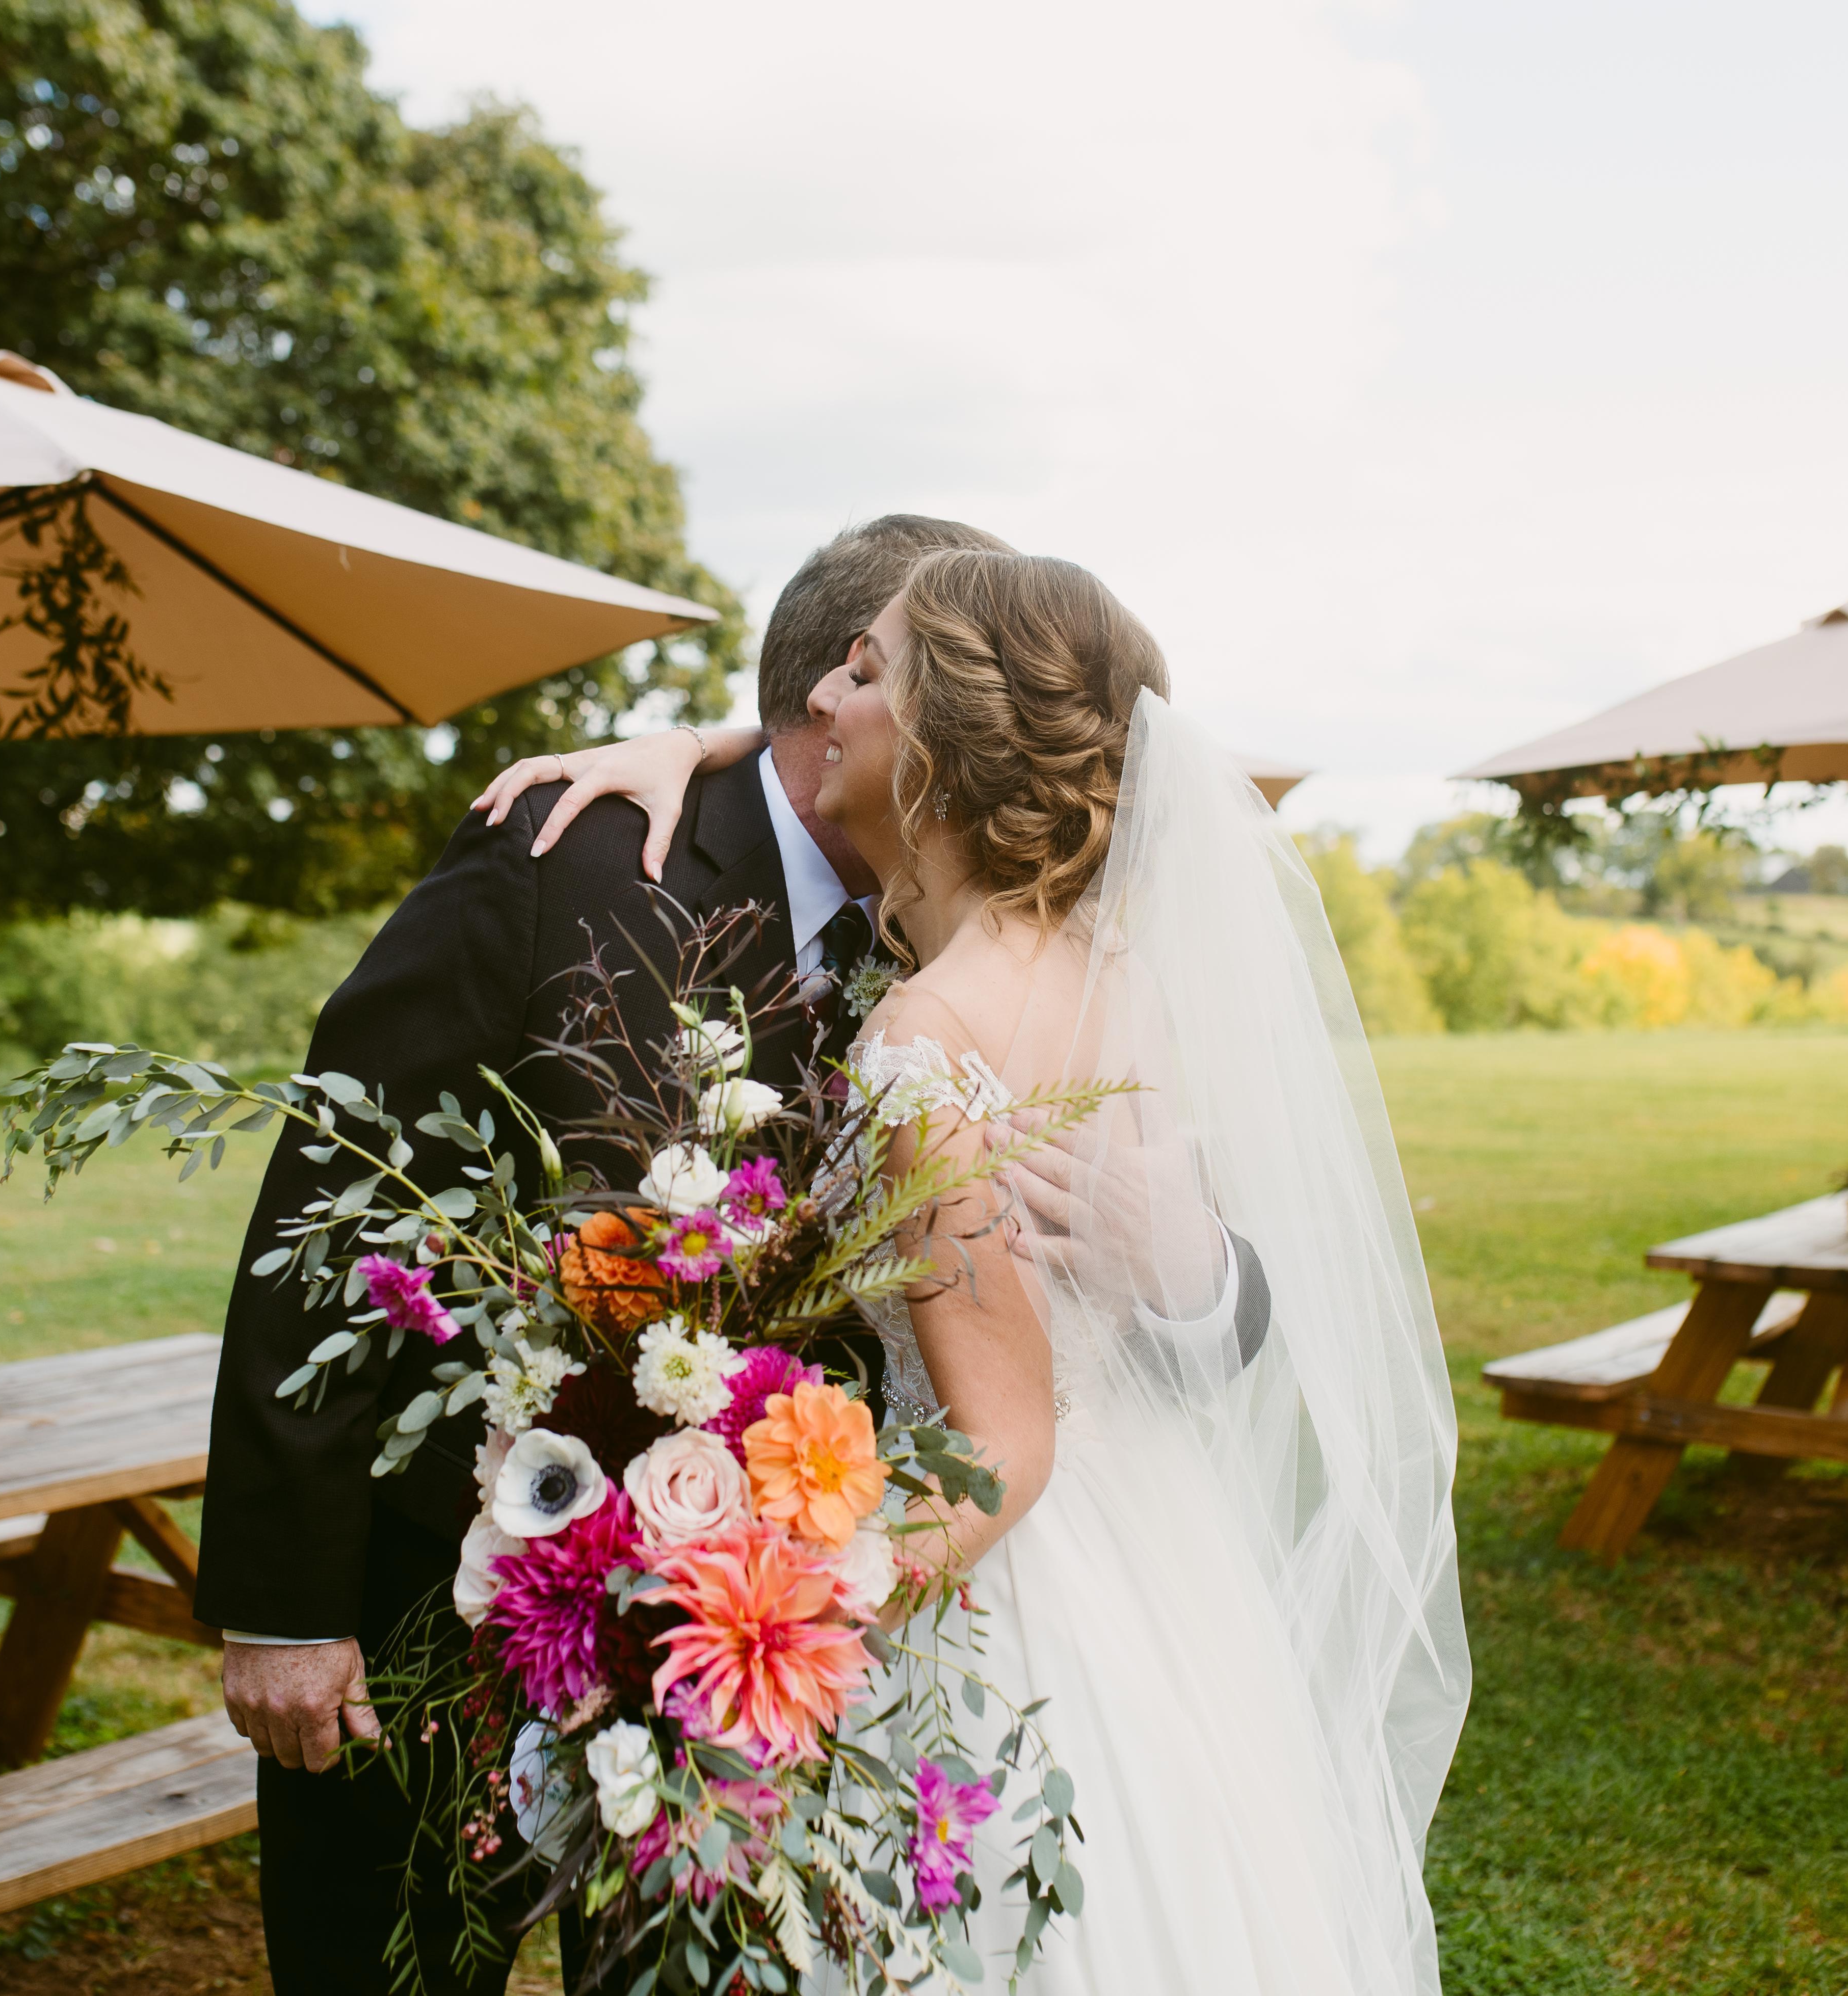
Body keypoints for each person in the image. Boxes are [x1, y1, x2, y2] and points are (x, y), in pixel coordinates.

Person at [501, 549, 1472, 1992]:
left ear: (943, 741)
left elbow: (1003, 1444)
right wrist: (694, 745)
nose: (823, 699)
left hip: (1001, 1598)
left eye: (866, 671)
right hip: (1162, 1572)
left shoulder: (925, 1033)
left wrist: (755, 1634)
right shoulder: (1117, 976)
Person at [198, 513, 1114, 1993]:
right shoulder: (567, 852)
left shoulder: (966, 936)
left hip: (757, 1656)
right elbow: (342, 1195)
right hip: (443, 1597)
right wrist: (284, 1605)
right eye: (886, 664)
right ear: (829, 695)